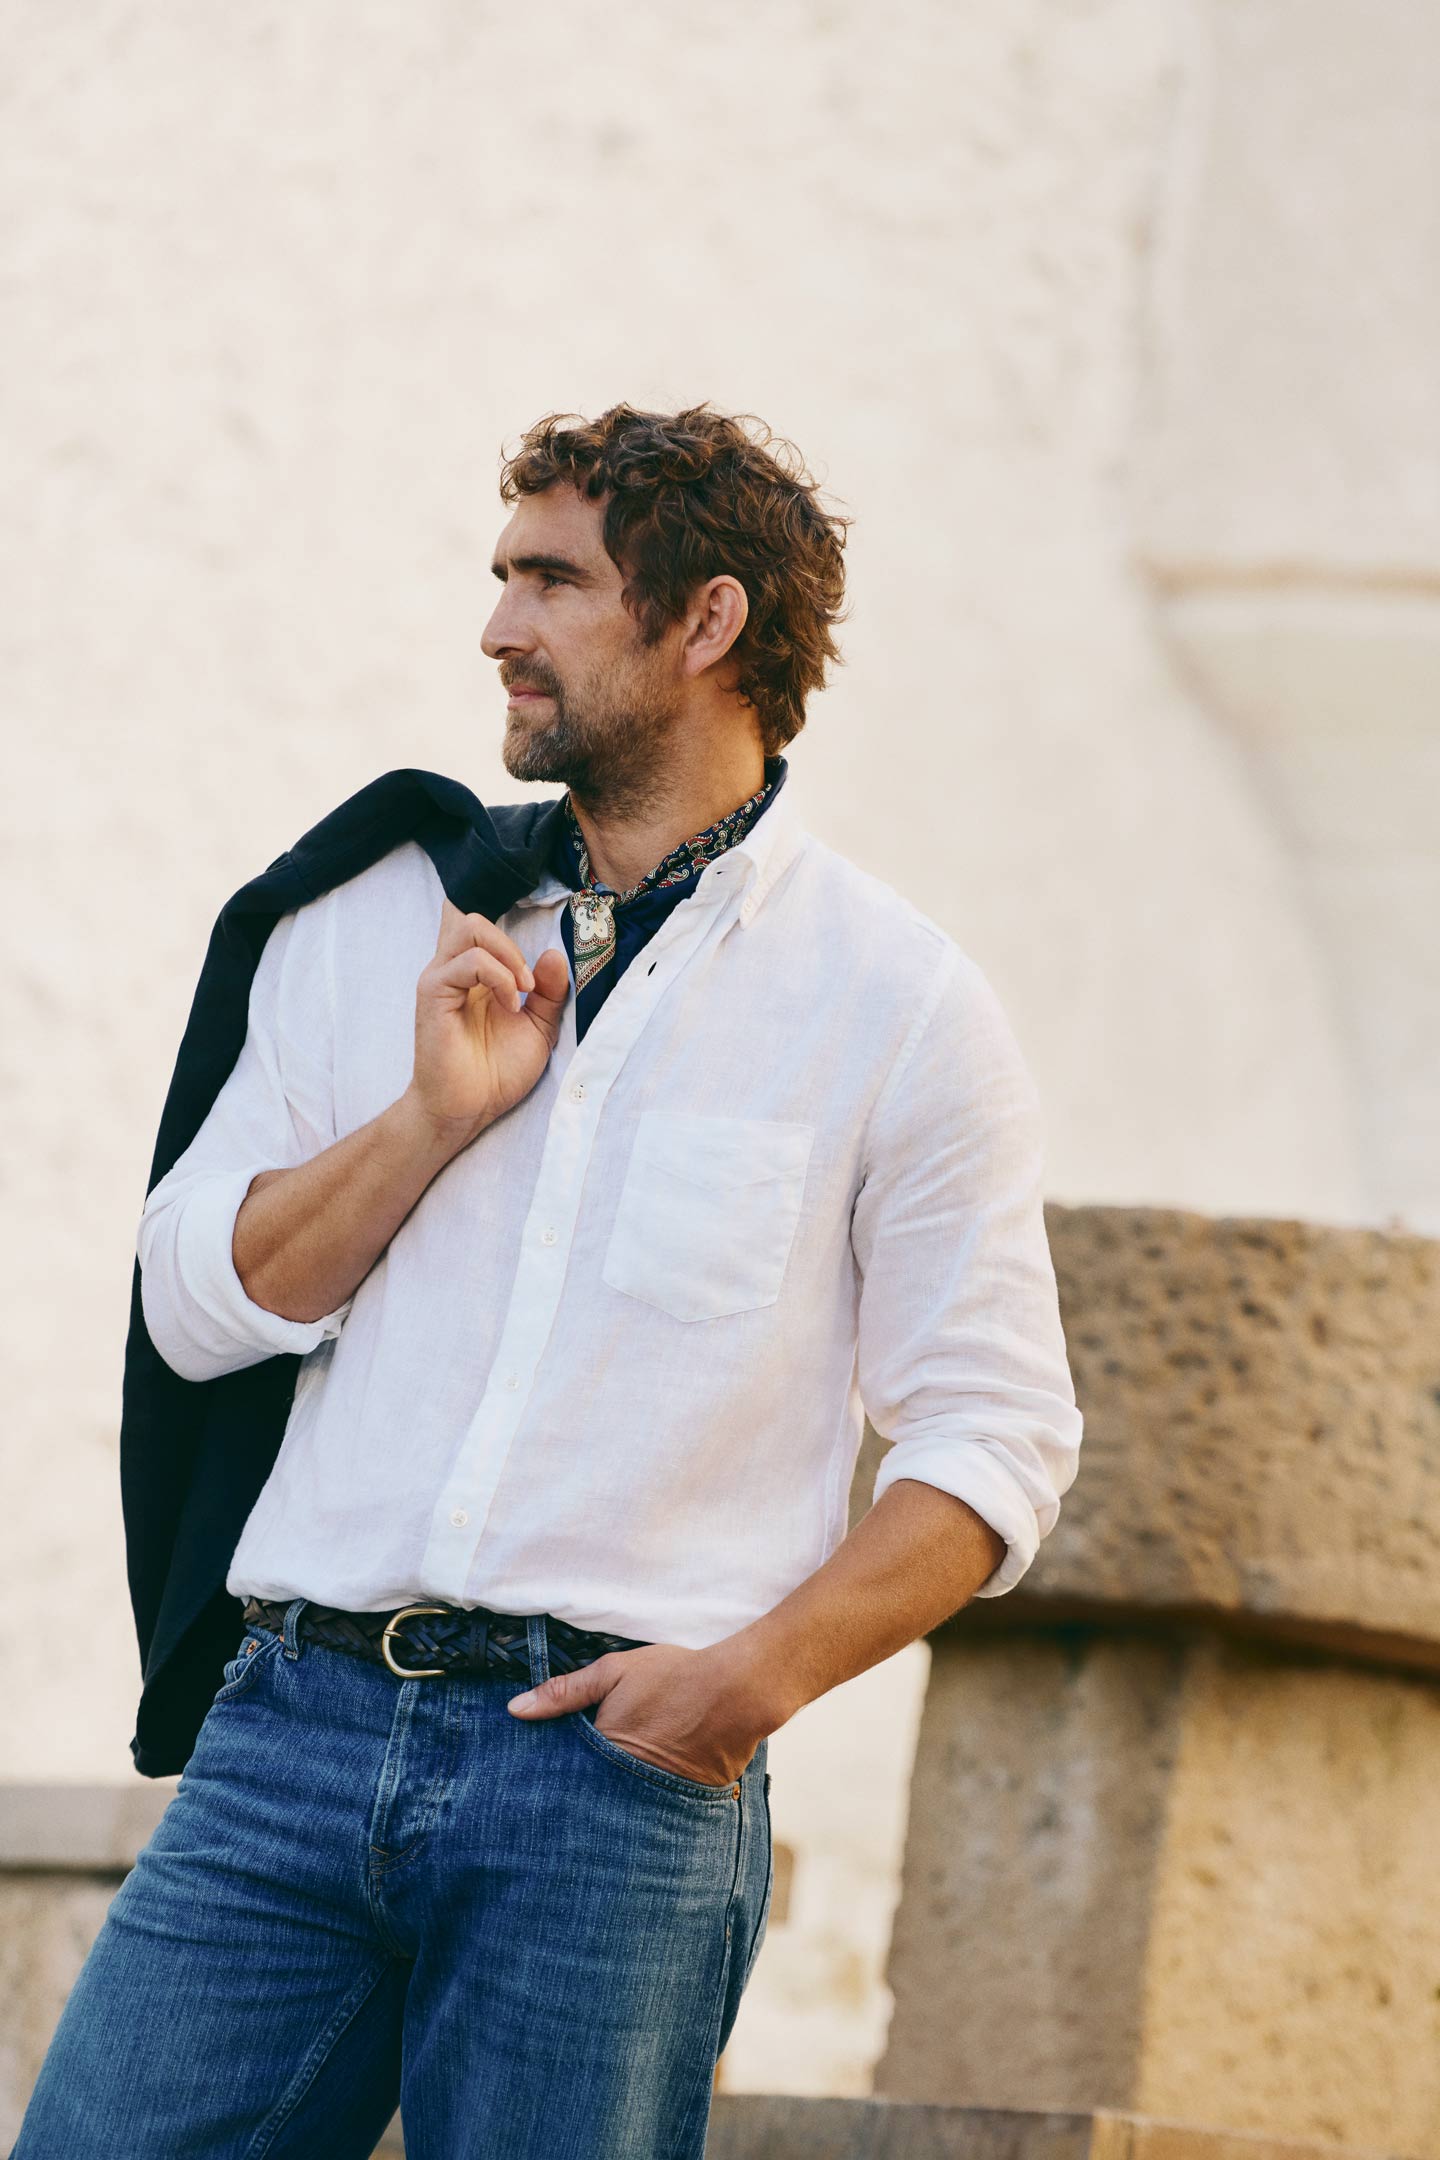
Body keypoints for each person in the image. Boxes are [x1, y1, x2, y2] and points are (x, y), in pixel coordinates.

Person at [13, 402, 1083, 2160]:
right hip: (290, 1737)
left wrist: (744, 1683)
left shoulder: (898, 1007)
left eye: (550, 584)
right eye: (502, 578)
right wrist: (427, 1123)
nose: (497, 628)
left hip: (610, 1783)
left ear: (708, 623)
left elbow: (993, 1441)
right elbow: (194, 1302)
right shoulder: (369, 921)